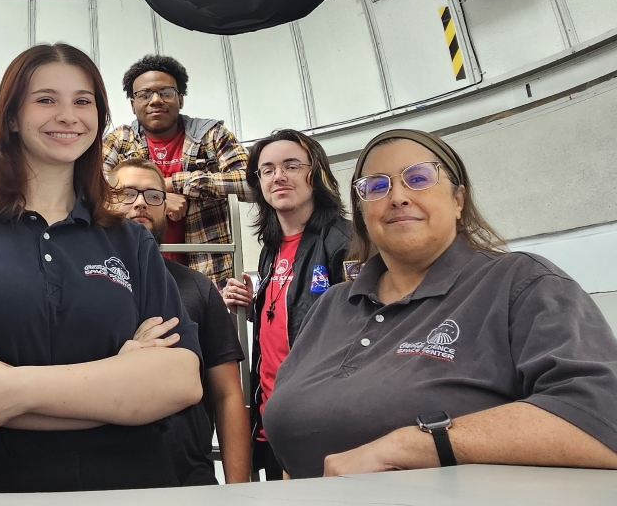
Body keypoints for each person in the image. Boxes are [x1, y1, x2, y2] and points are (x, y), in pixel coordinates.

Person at [0, 43, 204, 493]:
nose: (68, 116)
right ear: (11, 117)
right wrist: (119, 380)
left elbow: (179, 381)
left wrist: (9, 389)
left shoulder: (129, 240)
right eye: (46, 99)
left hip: (137, 487)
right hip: (2, 488)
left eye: (83, 101)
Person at [262, 129, 617, 478]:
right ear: (362, 213)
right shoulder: (332, 304)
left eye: (418, 178)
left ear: (458, 200)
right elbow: (293, 429)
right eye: (377, 186)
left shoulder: (520, 283)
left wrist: (410, 446)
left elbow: (602, 417)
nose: (398, 197)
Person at [109, 158, 252, 485]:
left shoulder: (198, 287)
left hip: (189, 479)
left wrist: (238, 491)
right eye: (127, 194)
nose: (141, 203)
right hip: (103, 480)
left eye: (153, 195)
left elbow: (228, 395)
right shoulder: (81, 287)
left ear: (165, 209)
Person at [220, 128, 351, 480]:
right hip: (273, 423)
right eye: (268, 169)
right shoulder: (271, 249)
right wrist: (254, 305)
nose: (278, 176)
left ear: (316, 174)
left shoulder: (346, 242)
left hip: (322, 427)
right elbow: (291, 317)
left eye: (291, 166)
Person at [103, 54, 253, 287]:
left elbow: (252, 183)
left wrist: (175, 183)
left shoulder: (212, 135)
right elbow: (91, 188)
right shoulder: (120, 140)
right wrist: (159, 197)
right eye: (144, 94)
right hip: (131, 271)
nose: (155, 100)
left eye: (166, 92)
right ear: (133, 104)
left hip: (206, 274)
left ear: (180, 99)